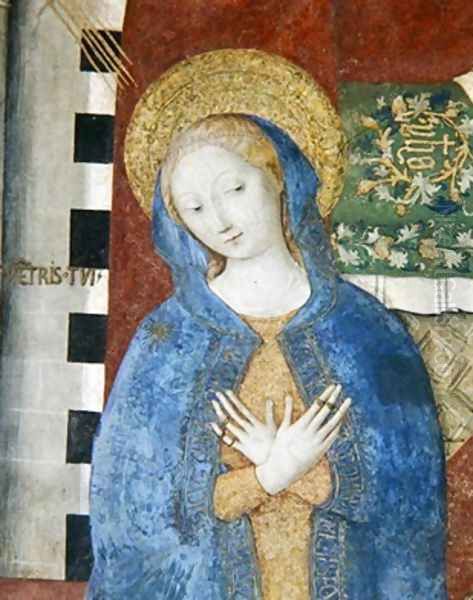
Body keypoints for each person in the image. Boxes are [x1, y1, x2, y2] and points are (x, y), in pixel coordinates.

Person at [87, 114, 447, 599]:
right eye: (195, 207)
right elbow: (136, 517)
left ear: (278, 176)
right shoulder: (166, 339)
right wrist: (269, 475)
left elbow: (409, 506)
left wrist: (301, 474)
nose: (220, 221)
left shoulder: (368, 330)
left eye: (234, 189)